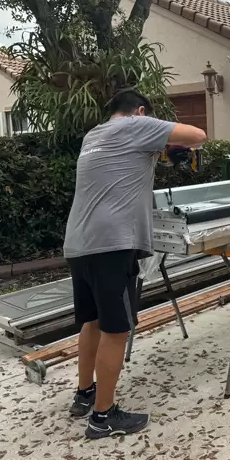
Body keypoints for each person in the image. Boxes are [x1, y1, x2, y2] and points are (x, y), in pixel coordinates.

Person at [65, 90, 207, 439]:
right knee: (117, 329)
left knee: (93, 321)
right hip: (113, 244)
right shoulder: (136, 124)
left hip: (79, 242)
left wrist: (162, 150)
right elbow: (198, 136)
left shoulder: (94, 135)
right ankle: (104, 417)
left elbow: (126, 166)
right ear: (140, 112)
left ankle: (85, 394)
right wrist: (172, 143)